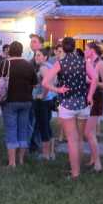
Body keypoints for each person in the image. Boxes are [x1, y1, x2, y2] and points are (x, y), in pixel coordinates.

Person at [42, 37, 96, 179]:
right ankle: (78, 167)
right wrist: (90, 96)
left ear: (63, 48)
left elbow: (45, 82)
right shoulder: (84, 61)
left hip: (67, 104)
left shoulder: (60, 63)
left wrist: (58, 90)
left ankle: (75, 172)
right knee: (79, 139)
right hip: (83, 104)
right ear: (74, 47)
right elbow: (95, 78)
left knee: (72, 139)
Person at [0, 41, 37, 168]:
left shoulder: (4, 64)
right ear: (21, 51)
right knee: (23, 130)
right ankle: (21, 160)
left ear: (10, 50)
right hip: (26, 101)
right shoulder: (28, 65)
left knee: (11, 130)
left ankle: (12, 163)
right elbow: (35, 83)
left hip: (9, 101)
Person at [84, 42, 103, 171]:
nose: (84, 51)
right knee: (91, 132)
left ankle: (98, 163)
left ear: (92, 50)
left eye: (86, 49)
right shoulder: (89, 62)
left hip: (97, 98)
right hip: (89, 97)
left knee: (88, 132)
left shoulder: (101, 64)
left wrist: (90, 81)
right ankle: (93, 159)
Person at [33, 47, 57, 160]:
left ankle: (45, 154)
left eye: (39, 55)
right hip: (50, 100)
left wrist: (42, 95)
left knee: (43, 127)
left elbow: (46, 83)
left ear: (45, 57)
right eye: (35, 55)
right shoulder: (50, 66)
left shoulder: (43, 68)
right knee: (47, 125)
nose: (36, 57)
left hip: (43, 101)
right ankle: (51, 153)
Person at [28, 34, 45, 153]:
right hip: (32, 96)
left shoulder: (43, 59)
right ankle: (33, 144)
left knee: (37, 121)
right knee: (32, 120)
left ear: (41, 44)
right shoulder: (31, 59)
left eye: (34, 41)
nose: (31, 44)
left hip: (41, 96)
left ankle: (36, 145)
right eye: (31, 42)